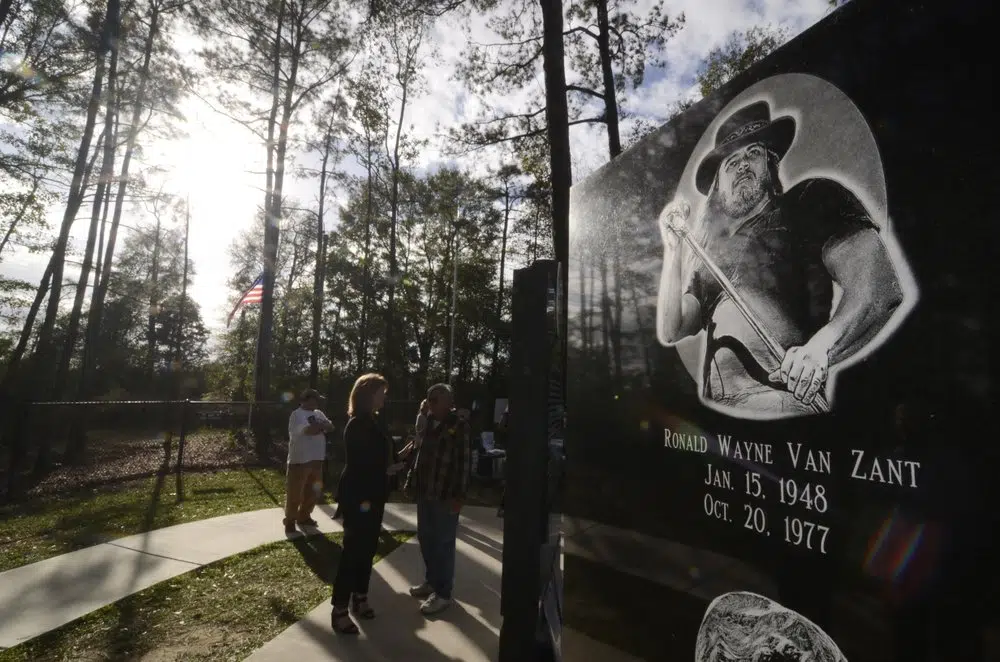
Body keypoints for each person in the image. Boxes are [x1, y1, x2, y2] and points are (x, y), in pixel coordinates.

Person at [656, 100, 904, 419]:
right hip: (719, 417)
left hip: (783, 406)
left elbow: (880, 288)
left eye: (753, 154)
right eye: (731, 162)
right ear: (718, 186)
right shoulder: (709, 259)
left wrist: (821, 348)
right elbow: (671, 328)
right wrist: (674, 249)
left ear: (770, 164)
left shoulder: (808, 201)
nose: (743, 164)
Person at [330, 373, 404, 634]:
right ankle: (339, 610)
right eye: (381, 392)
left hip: (374, 496)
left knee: (368, 549)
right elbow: (361, 463)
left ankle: (360, 596)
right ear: (368, 394)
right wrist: (387, 470)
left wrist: (396, 462)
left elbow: (382, 454)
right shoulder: (357, 424)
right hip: (358, 496)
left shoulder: (374, 421)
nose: (384, 396)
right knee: (352, 552)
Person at [404, 383, 471, 615]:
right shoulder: (429, 422)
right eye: (429, 399)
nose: (430, 403)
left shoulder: (459, 426)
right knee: (426, 537)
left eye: (435, 400)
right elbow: (420, 452)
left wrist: (459, 496)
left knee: (443, 544)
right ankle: (431, 581)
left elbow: (463, 464)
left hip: (446, 494)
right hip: (425, 492)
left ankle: (443, 593)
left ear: (448, 403)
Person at [285, 389, 334, 535]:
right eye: (315, 399)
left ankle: (304, 516)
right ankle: (290, 521)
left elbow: (331, 427)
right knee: (295, 493)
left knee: (313, 491)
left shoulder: (318, 413)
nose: (318, 402)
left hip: (317, 458)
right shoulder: (297, 414)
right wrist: (321, 426)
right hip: (300, 460)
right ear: (306, 399)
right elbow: (308, 430)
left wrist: (321, 426)